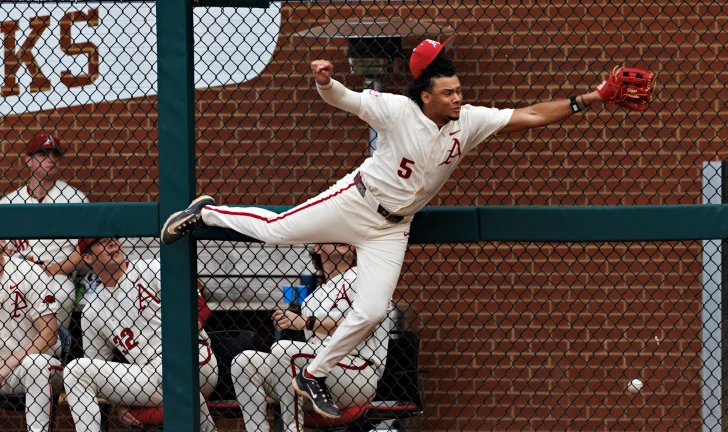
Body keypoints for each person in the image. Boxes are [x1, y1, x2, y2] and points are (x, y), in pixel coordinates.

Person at [161, 37, 647, 418]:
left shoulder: (469, 120)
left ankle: (314, 372)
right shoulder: (397, 109)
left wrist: (594, 97)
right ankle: (204, 213)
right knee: (277, 230)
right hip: (356, 202)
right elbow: (346, 99)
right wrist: (326, 81)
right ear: (425, 94)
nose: (459, 96)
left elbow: (533, 114)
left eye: (459, 89)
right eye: (449, 91)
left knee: (372, 310)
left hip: (393, 230)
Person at [231, 243, 393, 431]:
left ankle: (293, 429)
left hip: (359, 372)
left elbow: (363, 326)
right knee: (243, 362)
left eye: (348, 235)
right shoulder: (312, 299)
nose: (343, 237)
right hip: (317, 379)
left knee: (283, 349)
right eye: (334, 232)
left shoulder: (367, 278)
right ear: (317, 247)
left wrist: (307, 322)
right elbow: (312, 347)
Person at [62, 238, 218, 432]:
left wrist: (178, 344)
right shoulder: (92, 311)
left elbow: (201, 309)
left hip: (192, 359)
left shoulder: (151, 268)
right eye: (103, 242)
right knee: (75, 371)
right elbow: (98, 369)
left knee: (172, 381)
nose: (113, 244)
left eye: (114, 239)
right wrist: (119, 406)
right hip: (147, 375)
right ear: (88, 257)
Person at [0, 131, 90, 328]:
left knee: (62, 293)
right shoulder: (9, 202)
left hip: (56, 273)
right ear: (28, 160)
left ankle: (54, 349)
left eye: (55, 155)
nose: (51, 160)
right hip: (16, 272)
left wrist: (49, 270)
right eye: (43, 154)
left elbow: (83, 252)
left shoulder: (75, 198)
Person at [0, 240, 62, 432]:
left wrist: (8, 364)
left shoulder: (28, 271)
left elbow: (49, 334)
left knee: (34, 365)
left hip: (32, 365)